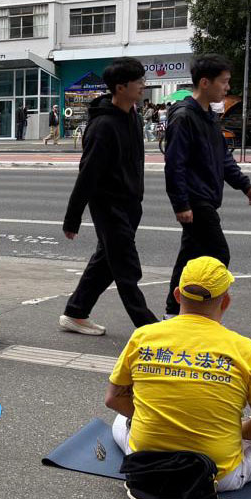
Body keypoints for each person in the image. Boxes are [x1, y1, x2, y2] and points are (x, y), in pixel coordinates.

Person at [105, 257, 251, 499]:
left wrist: (163, 418)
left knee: (120, 420)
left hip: (147, 461)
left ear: (178, 295)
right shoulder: (243, 348)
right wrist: (227, 430)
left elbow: (113, 399)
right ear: (225, 301)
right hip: (217, 473)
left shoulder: (144, 335)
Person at [60, 57, 158, 334]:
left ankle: (75, 312)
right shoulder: (103, 126)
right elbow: (88, 174)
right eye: (138, 81)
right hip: (109, 205)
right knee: (126, 266)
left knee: (106, 261)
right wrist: (72, 219)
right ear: (120, 87)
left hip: (131, 203)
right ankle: (149, 327)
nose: (143, 85)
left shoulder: (133, 117)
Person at [163, 55, 251, 319]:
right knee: (218, 252)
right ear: (205, 82)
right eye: (224, 82)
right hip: (196, 200)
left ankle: (175, 311)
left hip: (205, 197)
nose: (227, 88)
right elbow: (175, 164)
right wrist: (181, 204)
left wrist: (245, 185)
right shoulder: (184, 116)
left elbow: (223, 158)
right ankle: (194, 311)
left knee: (190, 255)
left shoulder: (208, 116)